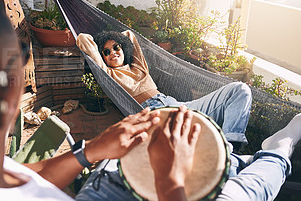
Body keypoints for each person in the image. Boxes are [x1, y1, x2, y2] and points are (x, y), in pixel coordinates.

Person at [0, 0, 299, 201]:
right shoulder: (109, 69)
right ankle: (278, 149)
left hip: (157, 110)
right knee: (237, 191)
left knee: (239, 93)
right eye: (19, 59)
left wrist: (88, 153)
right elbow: (88, 43)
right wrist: (171, 182)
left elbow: (9, 185)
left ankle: (240, 151)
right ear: (7, 86)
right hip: (151, 112)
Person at [76, 30, 252, 150]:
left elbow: (129, 36)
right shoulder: (108, 74)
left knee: (239, 89)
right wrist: (100, 50)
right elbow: (83, 38)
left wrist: (118, 40)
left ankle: (231, 147)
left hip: (177, 105)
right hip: (159, 114)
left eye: (117, 47)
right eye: (106, 52)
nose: (113, 52)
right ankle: (227, 154)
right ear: (103, 57)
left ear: (124, 48)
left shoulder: (138, 66)